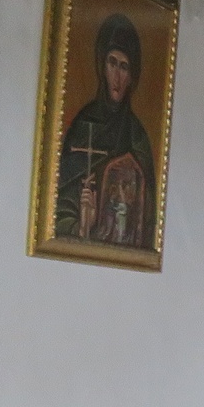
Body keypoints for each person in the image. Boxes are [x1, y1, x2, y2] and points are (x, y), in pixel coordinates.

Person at [56, 13, 156, 248]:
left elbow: (149, 218)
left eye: (124, 67)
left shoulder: (137, 137)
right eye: (112, 63)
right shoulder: (83, 126)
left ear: (132, 76)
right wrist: (81, 226)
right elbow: (59, 205)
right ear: (102, 66)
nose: (117, 77)